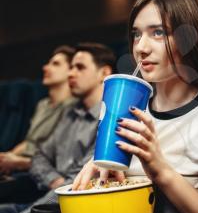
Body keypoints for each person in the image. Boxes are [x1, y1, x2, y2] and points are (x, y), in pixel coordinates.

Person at [73, 0, 198, 213]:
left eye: (158, 32)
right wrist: (109, 175)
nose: (141, 47)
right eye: (136, 34)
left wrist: (161, 172)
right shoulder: (132, 112)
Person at [0, 42, 116, 213]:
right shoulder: (70, 114)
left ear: (104, 73)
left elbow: (81, 181)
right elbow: (40, 157)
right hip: (45, 199)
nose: (71, 73)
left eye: (80, 67)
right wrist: (55, 181)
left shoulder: (110, 119)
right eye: (71, 68)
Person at [0, 45, 76, 175]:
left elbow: (57, 156)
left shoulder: (74, 107)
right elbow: (30, 141)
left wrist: (17, 161)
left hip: (40, 169)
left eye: (55, 64)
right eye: (48, 63)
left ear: (71, 71)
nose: (45, 68)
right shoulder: (43, 104)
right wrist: (7, 157)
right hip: (21, 163)